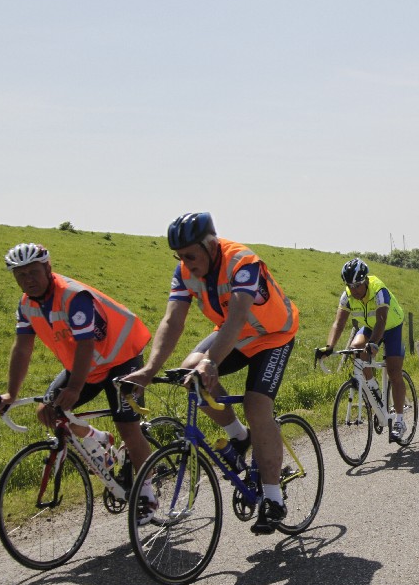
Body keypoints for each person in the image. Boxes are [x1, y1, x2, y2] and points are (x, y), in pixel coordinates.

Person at [121, 213, 299, 534]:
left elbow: (238, 316)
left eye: (191, 255)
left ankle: (273, 498)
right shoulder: (184, 273)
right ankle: (239, 436)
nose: (185, 263)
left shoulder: (242, 262)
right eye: (179, 256)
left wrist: (212, 361)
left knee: (257, 405)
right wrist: (148, 370)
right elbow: (172, 322)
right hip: (236, 336)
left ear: (211, 245)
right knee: (190, 373)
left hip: (273, 335)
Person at [0, 243, 156, 520]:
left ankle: (147, 494)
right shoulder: (27, 305)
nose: (28, 280)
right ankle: (98, 439)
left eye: (33, 272)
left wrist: (74, 388)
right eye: (21, 275)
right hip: (88, 365)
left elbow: (85, 344)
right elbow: (22, 348)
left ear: (47, 268)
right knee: (48, 411)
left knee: (128, 427)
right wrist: (11, 393)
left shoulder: (73, 296)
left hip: (121, 357)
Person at [322, 258, 409, 442]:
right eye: (349, 286)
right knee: (355, 349)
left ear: (366, 281)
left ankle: (400, 420)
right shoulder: (347, 296)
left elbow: (382, 321)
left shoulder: (379, 290)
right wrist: (329, 347)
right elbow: (339, 323)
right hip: (370, 327)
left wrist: (374, 344)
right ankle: (373, 388)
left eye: (357, 286)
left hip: (391, 326)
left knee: (394, 371)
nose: (353, 290)